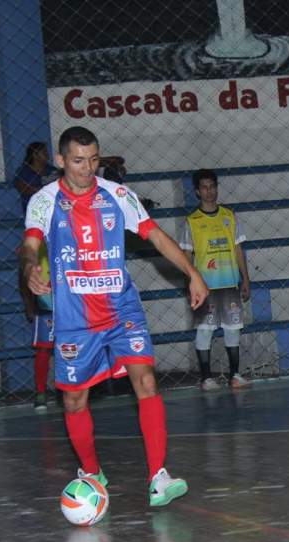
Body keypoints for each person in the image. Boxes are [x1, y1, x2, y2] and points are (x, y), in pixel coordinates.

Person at [21, 126, 208, 507]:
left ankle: (159, 476)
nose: (87, 168)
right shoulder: (44, 201)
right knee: (74, 400)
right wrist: (29, 270)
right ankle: (91, 473)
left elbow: (154, 236)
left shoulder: (117, 195)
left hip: (122, 308)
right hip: (75, 316)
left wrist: (193, 274)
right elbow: (29, 246)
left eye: (93, 160)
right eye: (77, 161)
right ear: (60, 161)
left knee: (147, 381)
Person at [179, 169, 252, 391]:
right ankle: (206, 378)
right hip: (206, 288)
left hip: (229, 283)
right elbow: (186, 256)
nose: (209, 191)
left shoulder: (229, 216)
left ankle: (235, 375)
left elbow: (238, 249)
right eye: (204, 187)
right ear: (197, 191)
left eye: (212, 186)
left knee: (233, 329)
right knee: (204, 330)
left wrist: (245, 279)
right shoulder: (191, 221)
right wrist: (191, 282)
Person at [19, 239, 54, 412]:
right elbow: (24, 271)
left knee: (81, 344)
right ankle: (40, 392)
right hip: (46, 297)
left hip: (75, 295)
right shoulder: (35, 240)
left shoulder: (75, 230)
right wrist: (29, 304)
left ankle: (86, 385)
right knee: (44, 349)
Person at [14, 142, 57, 212]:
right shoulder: (24, 172)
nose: (48, 155)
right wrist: (49, 189)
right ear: (35, 155)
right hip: (33, 210)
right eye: (44, 152)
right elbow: (24, 190)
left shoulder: (52, 170)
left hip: (53, 208)